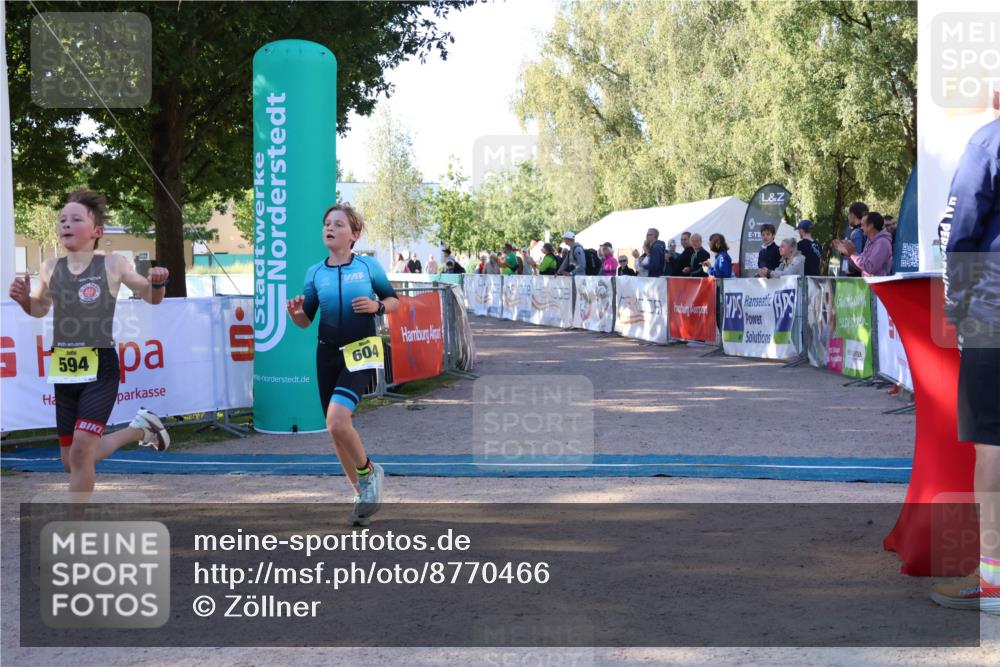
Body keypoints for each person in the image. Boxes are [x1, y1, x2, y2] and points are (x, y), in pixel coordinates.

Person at [7, 190, 171, 496]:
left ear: (97, 232)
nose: (66, 224)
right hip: (64, 369)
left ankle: (74, 529)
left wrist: (158, 282)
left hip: (100, 366)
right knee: (71, 461)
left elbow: (151, 296)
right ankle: (140, 429)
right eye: (63, 220)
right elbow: (40, 308)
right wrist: (22, 301)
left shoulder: (113, 264)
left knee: (82, 451)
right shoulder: (50, 267)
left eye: (75, 219)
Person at [286, 203, 400, 526]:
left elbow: (394, 301)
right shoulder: (314, 273)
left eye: (338, 224)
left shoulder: (368, 267)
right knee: (335, 431)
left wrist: (377, 305)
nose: (330, 228)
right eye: (327, 223)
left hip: (362, 349)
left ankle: (368, 471)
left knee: (337, 420)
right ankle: (361, 496)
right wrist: (294, 314)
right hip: (327, 354)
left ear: (354, 235)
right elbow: (305, 321)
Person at [931, 111, 1000, 614]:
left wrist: (957, 307)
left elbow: (958, 231)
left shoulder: (989, 140)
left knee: (993, 445)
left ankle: (995, 580)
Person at [833, 212, 892, 277]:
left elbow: (870, 267)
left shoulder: (882, 243)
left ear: (871, 226)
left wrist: (853, 253)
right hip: (868, 285)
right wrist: (848, 254)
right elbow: (862, 267)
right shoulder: (869, 241)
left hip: (878, 285)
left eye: (863, 225)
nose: (861, 228)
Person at [840, 202, 869, 276]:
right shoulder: (867, 231)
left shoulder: (857, 233)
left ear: (852, 215)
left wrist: (850, 269)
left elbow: (856, 256)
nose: (848, 217)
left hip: (853, 278)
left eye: (848, 214)